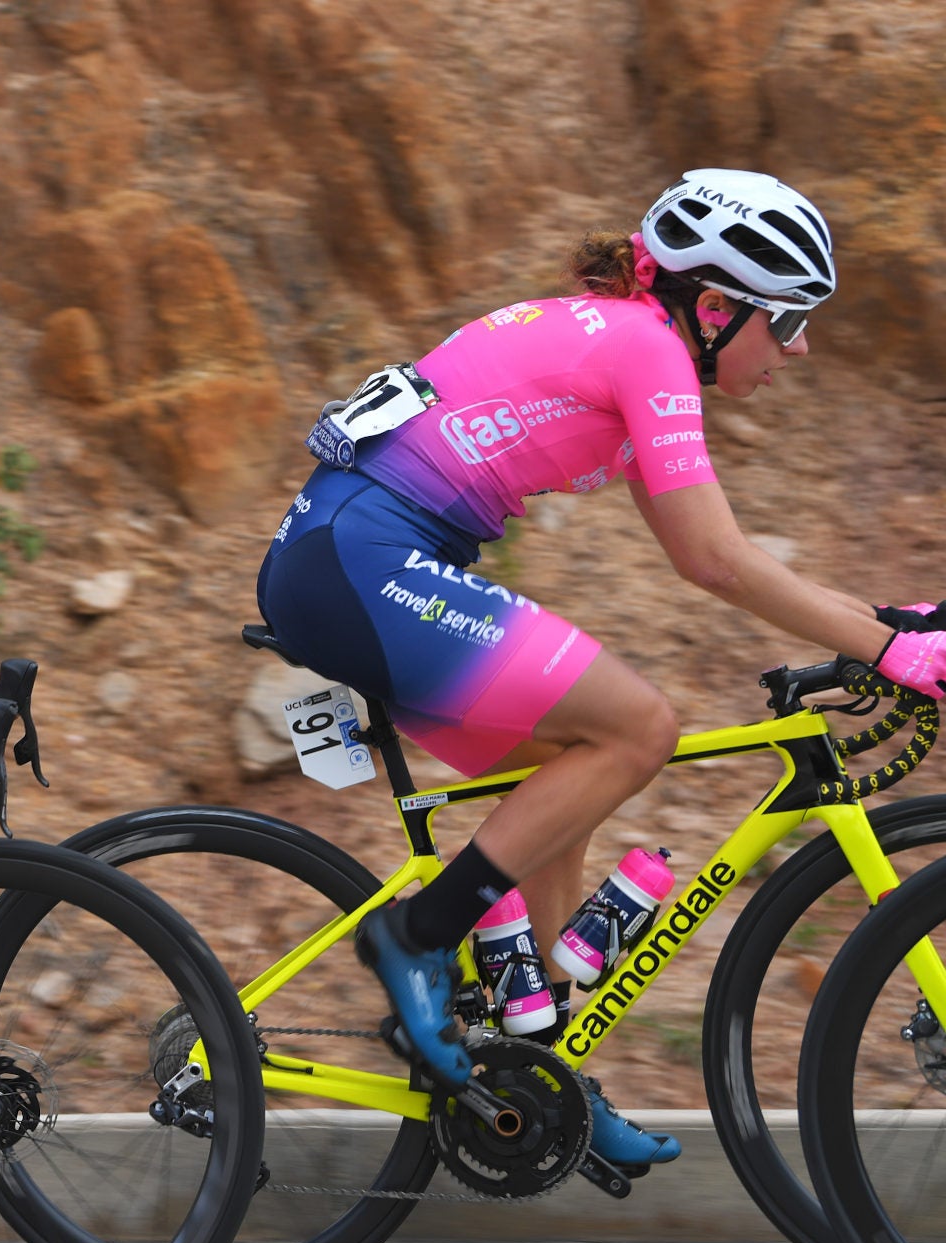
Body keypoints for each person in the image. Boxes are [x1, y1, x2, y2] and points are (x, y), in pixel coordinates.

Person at [255, 168, 944, 1165]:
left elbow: (713, 554)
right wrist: (888, 648)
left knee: (568, 773)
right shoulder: (645, 349)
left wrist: (884, 622)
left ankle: (539, 1075)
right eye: (786, 322)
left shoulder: (618, 337)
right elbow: (718, 560)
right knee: (637, 728)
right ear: (715, 307)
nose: (798, 350)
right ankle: (416, 935)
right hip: (366, 558)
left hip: (351, 556)